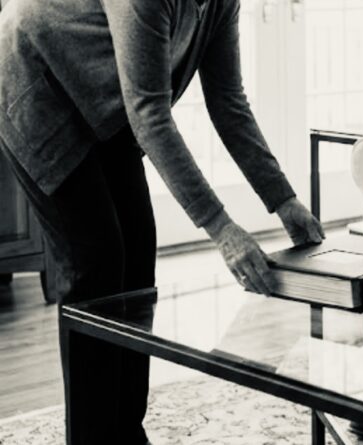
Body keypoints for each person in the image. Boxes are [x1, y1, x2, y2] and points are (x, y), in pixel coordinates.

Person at [0, 1, 324, 444]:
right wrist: (222, 228)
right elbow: (150, 114)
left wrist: (283, 199)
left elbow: (228, 101)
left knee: (138, 256)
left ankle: (126, 432)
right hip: (37, 83)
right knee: (97, 262)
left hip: (106, 98)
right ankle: (93, 438)